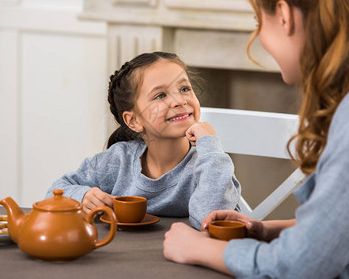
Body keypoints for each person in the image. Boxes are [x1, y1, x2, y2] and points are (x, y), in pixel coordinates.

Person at [163, 0, 349, 277]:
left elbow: (302, 265)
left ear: (284, 16)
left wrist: (201, 249)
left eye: (259, 22)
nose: (259, 37)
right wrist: (266, 230)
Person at [46, 51, 241, 229]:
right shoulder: (117, 161)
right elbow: (54, 193)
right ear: (134, 121)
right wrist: (82, 196)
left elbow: (211, 223)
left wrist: (211, 146)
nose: (180, 101)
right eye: (160, 95)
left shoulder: (210, 165)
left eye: (184, 88)